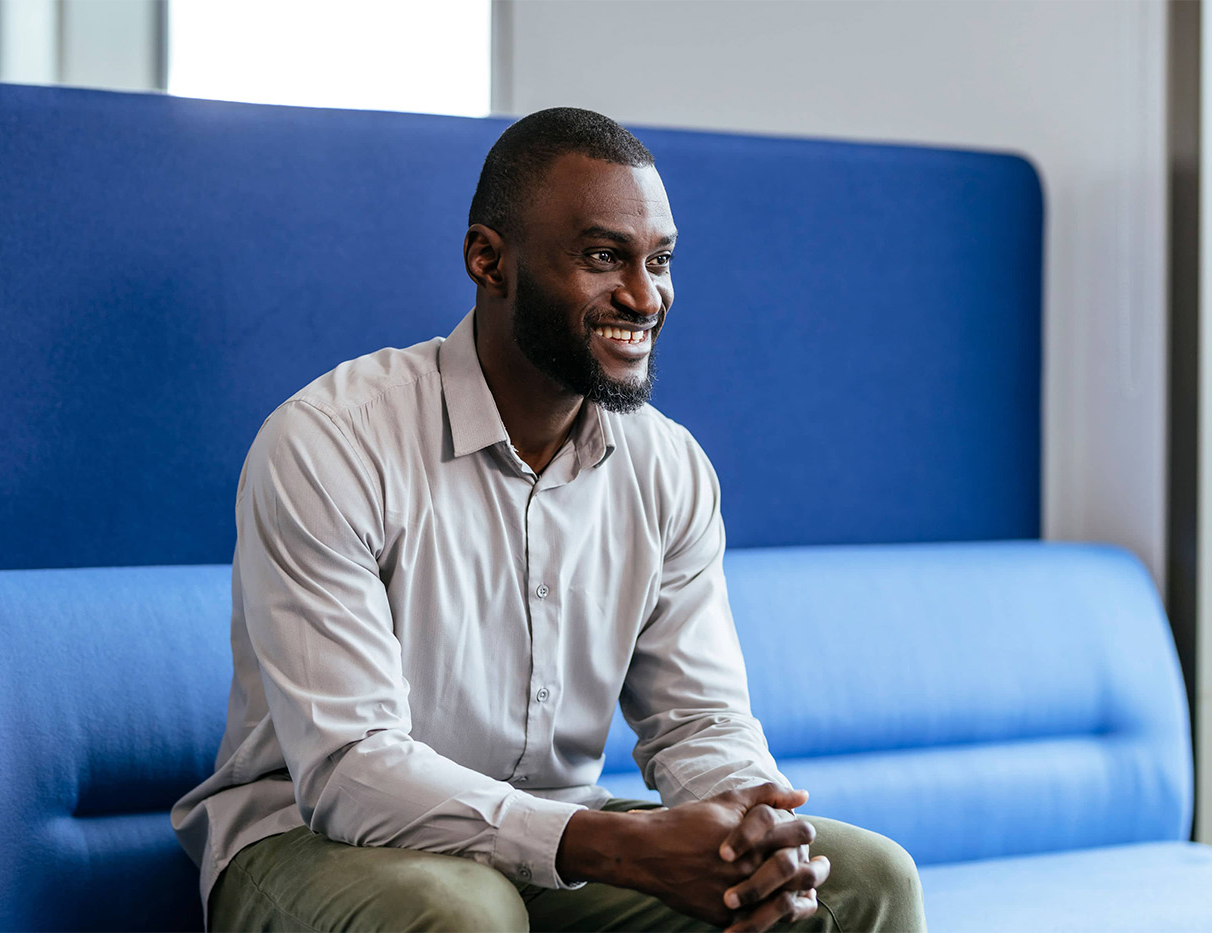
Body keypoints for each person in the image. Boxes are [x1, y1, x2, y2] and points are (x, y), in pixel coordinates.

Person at [172, 107, 927, 933]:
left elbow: (698, 722)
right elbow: (352, 771)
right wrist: (613, 845)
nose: (644, 297)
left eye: (661, 261)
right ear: (488, 260)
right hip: (315, 840)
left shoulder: (668, 466)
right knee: (462, 910)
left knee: (864, 883)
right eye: (604, 257)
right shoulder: (331, 442)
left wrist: (753, 831)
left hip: (566, 843)